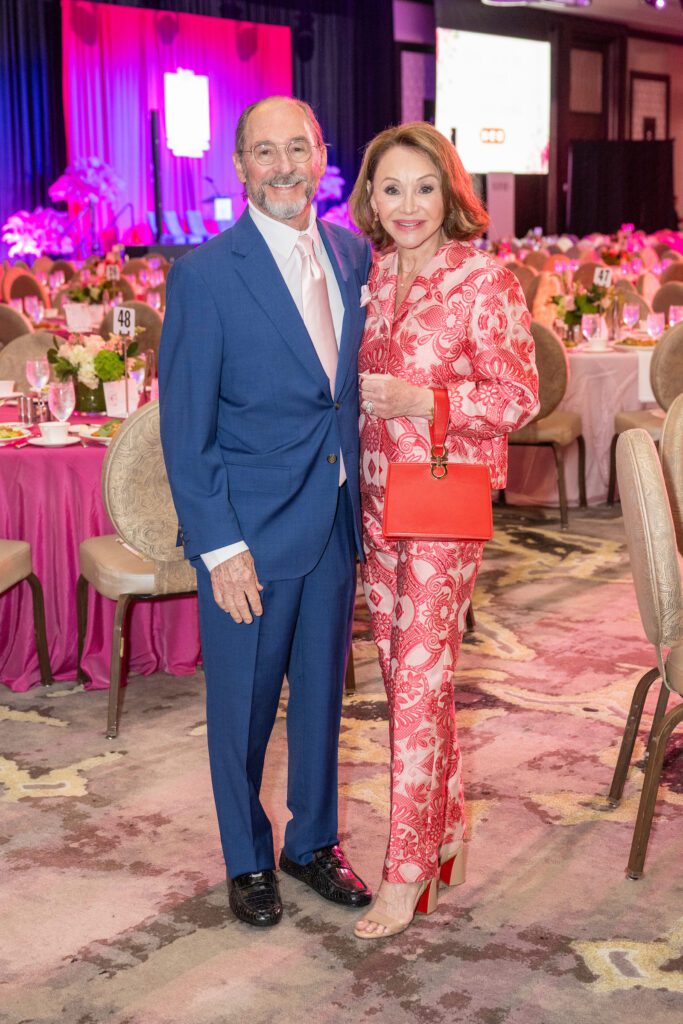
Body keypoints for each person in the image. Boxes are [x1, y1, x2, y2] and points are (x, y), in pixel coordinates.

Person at [159, 96, 373, 928]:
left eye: (297, 148)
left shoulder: (354, 255)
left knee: (321, 701)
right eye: (263, 151)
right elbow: (186, 430)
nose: (283, 166)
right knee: (242, 712)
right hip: (247, 534)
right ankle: (247, 857)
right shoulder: (206, 274)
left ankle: (311, 843)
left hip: (333, 521)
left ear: (321, 155)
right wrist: (219, 547)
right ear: (240, 167)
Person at [348, 122, 539, 939]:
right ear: (371, 196)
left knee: (421, 682)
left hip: (439, 506)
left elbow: (518, 397)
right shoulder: (372, 273)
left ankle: (406, 871)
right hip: (373, 502)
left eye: (424, 188)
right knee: (402, 679)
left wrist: (425, 402)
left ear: (449, 192)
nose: (408, 205)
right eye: (392, 188)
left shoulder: (481, 279)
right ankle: (447, 826)